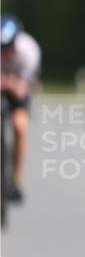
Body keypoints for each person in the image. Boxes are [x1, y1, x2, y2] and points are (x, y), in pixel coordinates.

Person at [0, 14, 41, 203]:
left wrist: (8, 82)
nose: (5, 53)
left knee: (19, 126)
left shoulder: (29, 50)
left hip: (18, 89)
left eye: (9, 48)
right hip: (8, 83)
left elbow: (21, 90)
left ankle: (16, 180)